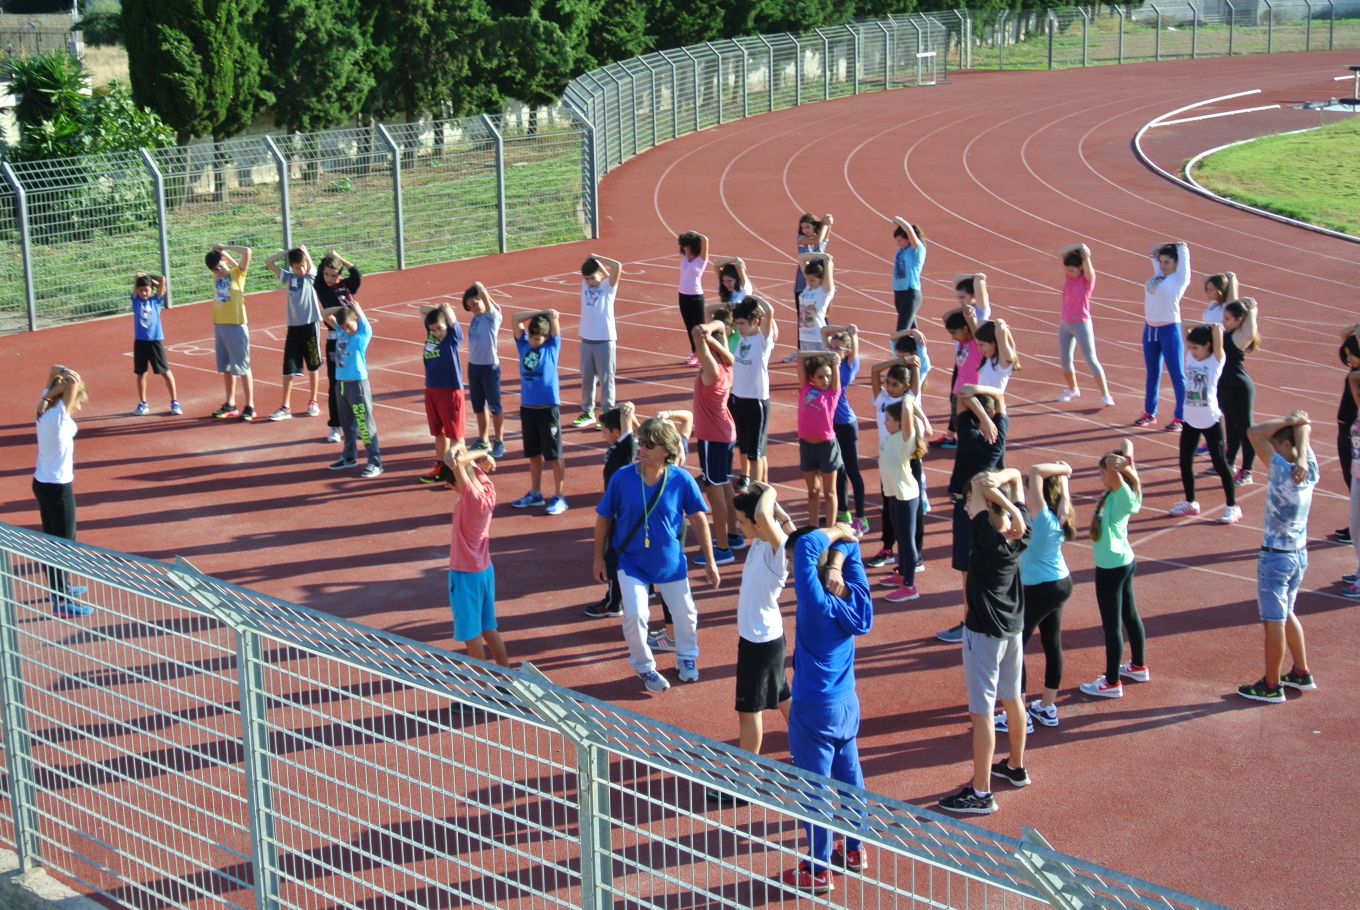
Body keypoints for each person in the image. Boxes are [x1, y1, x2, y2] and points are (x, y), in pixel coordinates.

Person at [593, 417, 720, 693]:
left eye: (650, 444)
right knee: (635, 615)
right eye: (641, 442)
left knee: (685, 613)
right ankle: (645, 667)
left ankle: (686, 657)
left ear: (667, 450)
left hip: (669, 562)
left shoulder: (682, 479)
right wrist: (598, 558)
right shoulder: (622, 477)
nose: (642, 448)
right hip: (631, 561)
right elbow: (603, 518)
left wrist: (710, 561)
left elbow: (698, 519)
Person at [779, 521, 872, 894]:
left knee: (814, 789)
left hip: (811, 709)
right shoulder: (858, 601)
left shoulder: (814, 602)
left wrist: (833, 529)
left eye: (791, 563)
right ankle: (854, 849)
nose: (790, 569)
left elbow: (807, 548)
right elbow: (853, 547)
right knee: (850, 778)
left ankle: (818, 869)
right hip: (846, 705)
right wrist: (837, 559)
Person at [938, 469, 1031, 815]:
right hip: (1012, 631)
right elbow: (1016, 480)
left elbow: (979, 492)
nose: (964, 507)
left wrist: (982, 486)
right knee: (1013, 698)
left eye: (967, 503)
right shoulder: (1020, 534)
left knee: (983, 714)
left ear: (984, 507)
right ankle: (1016, 766)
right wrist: (998, 483)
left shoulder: (985, 536)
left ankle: (980, 793)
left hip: (984, 634)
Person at [1238, 411, 1318, 702]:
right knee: (1286, 614)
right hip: (1299, 554)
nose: (1268, 446)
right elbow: (1304, 431)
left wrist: (1289, 419)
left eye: (1275, 443)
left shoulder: (1282, 470)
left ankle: (1271, 685)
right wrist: (1299, 426)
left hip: (1276, 558)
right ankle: (1300, 671)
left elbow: (1253, 432)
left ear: (1285, 446)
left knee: (1273, 620)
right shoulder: (1308, 467)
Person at [996, 463, 1075, 733]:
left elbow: (1036, 470)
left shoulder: (1040, 516)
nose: (1026, 492)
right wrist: (1064, 482)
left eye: (1028, 488)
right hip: (1059, 584)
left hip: (1040, 589)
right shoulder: (1058, 513)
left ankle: (1020, 715)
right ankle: (1047, 707)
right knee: (1052, 643)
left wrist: (1065, 470)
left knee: (1014, 648)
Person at [728, 483, 795, 757]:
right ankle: (811, 750)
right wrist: (777, 509)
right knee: (782, 697)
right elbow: (777, 522)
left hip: (760, 643)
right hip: (764, 638)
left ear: (758, 522)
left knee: (748, 712)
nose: (738, 526)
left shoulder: (774, 551)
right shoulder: (761, 541)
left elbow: (767, 518)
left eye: (743, 521)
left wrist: (770, 493)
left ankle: (745, 777)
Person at [938, 384, 1009, 644]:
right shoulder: (997, 438)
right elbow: (999, 396)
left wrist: (978, 410)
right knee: (991, 566)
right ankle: (991, 617)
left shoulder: (967, 436)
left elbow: (961, 395)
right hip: (993, 509)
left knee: (968, 570)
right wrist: (986, 416)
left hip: (967, 507)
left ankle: (969, 623)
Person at [1081, 440, 1148, 699]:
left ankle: (1111, 682)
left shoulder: (1120, 494)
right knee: (1130, 615)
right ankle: (1138, 666)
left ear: (1116, 475)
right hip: (1122, 561)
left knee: (1112, 626)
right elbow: (1126, 443)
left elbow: (1120, 472)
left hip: (1111, 567)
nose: (1101, 478)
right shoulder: (1125, 492)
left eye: (1103, 474)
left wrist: (1123, 466)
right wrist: (1127, 459)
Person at [444, 441, 509, 667]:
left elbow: (461, 463)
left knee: (472, 640)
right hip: (484, 571)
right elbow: (468, 465)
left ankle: (481, 696)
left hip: (465, 575)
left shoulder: (470, 498)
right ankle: (506, 681)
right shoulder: (488, 489)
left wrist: (463, 456)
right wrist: (479, 454)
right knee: (489, 630)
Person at [33, 366, 92, 618]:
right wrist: (69, 381)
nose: (79, 407)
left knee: (51, 540)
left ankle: (60, 588)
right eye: (79, 402)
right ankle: (61, 601)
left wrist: (61, 376)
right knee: (62, 545)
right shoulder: (58, 414)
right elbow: (71, 385)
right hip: (58, 489)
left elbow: (53, 371)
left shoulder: (44, 409)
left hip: (42, 483)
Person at [1168, 322, 1240, 524]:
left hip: (1210, 420)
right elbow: (1185, 329)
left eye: (1196, 348)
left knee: (1220, 464)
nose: (1192, 351)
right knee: (1184, 462)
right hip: (1190, 419)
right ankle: (1191, 502)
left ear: (1208, 345)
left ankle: (1232, 506)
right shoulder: (1190, 358)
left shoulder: (1216, 361)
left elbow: (1218, 334)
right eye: (1190, 348)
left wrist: (1213, 327)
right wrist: (1200, 326)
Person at [691, 320, 739, 563]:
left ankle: (722, 549)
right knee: (726, 483)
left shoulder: (712, 370)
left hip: (713, 436)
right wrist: (710, 331)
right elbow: (718, 326)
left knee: (714, 490)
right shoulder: (729, 364)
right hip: (726, 432)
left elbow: (698, 340)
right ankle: (733, 534)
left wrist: (702, 334)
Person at [510, 309, 567, 514]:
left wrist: (549, 315)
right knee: (534, 454)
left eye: (538, 338)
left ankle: (560, 496)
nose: (534, 341)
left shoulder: (552, 346)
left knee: (554, 454)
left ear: (546, 337)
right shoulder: (523, 344)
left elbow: (554, 320)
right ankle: (535, 493)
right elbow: (515, 318)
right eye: (532, 337)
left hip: (547, 408)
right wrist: (539, 312)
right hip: (528, 408)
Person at [587, 401, 639, 619]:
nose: (602, 436)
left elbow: (630, 429)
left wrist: (629, 411)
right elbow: (631, 428)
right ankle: (647, 590)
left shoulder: (625, 449)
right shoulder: (619, 446)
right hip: (622, 510)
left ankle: (613, 603)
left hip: (619, 514)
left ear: (617, 432)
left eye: (605, 432)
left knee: (614, 557)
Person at [322, 297, 383, 478]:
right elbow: (324, 314)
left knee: (364, 425)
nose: (347, 330)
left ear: (356, 321)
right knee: (346, 424)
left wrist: (356, 310)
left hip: (357, 386)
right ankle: (349, 456)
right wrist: (341, 307)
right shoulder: (340, 331)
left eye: (350, 325)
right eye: (344, 326)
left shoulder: (361, 334)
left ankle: (375, 462)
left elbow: (363, 323)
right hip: (341, 385)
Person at [1135, 241, 1191, 431]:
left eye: (1167, 262)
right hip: (1150, 329)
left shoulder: (1180, 279)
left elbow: (1183, 251)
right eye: (1161, 262)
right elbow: (1153, 250)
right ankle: (1150, 412)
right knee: (1152, 373)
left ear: (1177, 263)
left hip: (1170, 330)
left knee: (1177, 375)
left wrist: (1180, 247)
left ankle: (1181, 416)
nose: (1163, 265)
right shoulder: (1158, 275)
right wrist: (1165, 248)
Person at [263, 245, 321, 421]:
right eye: (297, 267)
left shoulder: (311, 277)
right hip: (293, 328)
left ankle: (313, 401)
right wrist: (287, 253)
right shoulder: (288, 278)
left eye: (302, 266)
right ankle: (285, 407)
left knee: (313, 365)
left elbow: (310, 268)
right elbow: (268, 262)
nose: (301, 270)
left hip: (310, 326)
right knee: (288, 368)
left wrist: (306, 252)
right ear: (291, 267)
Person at [933, 275, 989, 448]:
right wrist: (963, 308)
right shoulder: (962, 313)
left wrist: (978, 279)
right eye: (958, 298)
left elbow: (975, 332)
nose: (960, 301)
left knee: (971, 410)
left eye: (963, 297)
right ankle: (953, 436)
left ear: (974, 296)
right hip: (962, 362)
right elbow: (945, 316)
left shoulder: (981, 311)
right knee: (954, 400)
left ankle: (973, 439)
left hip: (973, 367)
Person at [878, 401, 925, 603]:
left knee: (907, 541)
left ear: (900, 422)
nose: (884, 421)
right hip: (894, 495)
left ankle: (909, 586)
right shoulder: (891, 437)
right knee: (899, 536)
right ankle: (903, 573)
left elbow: (907, 409)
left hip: (906, 496)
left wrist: (907, 401)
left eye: (888, 419)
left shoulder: (906, 438)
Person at [1055, 244, 1113, 406]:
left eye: (1072, 271)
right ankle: (1072, 389)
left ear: (1081, 267)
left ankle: (1106, 395)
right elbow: (1060, 252)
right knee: (1065, 359)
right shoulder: (1069, 276)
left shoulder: (1087, 280)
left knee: (1090, 358)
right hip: (1065, 324)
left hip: (1081, 324)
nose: (1069, 274)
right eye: (1067, 271)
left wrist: (1085, 253)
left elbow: (1087, 265)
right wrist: (1078, 246)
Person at [822, 323, 867, 533]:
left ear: (847, 351)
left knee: (852, 470)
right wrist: (840, 328)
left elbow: (853, 344)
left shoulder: (849, 366)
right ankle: (843, 511)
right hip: (831, 426)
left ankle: (861, 517)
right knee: (837, 470)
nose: (833, 350)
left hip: (846, 424)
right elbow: (823, 331)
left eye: (837, 347)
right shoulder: (827, 365)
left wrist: (852, 333)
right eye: (831, 347)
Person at [729, 296, 777, 487]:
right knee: (742, 443)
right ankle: (745, 476)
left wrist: (753, 298)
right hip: (737, 397)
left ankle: (758, 488)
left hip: (755, 401)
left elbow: (770, 311)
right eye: (737, 323)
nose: (739, 327)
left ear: (755, 322)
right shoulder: (742, 336)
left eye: (742, 323)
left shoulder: (762, 339)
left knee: (756, 452)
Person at [315, 251, 361, 443]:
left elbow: (357, 274)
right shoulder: (321, 286)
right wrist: (326, 260)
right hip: (335, 339)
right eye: (326, 274)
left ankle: (357, 425)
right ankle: (335, 425)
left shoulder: (346, 285)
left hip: (352, 337)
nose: (329, 278)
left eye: (333, 275)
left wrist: (340, 258)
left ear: (339, 274)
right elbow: (319, 274)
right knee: (335, 384)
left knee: (354, 382)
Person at [417, 300, 465, 483]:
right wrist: (438, 311)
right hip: (431, 389)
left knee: (455, 436)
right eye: (434, 329)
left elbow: (451, 321)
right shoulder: (431, 334)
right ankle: (441, 468)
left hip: (450, 390)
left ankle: (459, 474)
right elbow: (422, 310)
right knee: (438, 433)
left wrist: (447, 311)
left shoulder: (453, 338)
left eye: (440, 328)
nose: (437, 333)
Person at [205, 243, 255, 420]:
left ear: (225, 261)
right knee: (226, 367)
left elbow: (247, 252)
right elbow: (216, 252)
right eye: (215, 269)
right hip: (220, 325)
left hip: (236, 325)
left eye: (220, 266)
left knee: (242, 367)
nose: (218, 271)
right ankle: (230, 404)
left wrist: (225, 247)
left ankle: (249, 406)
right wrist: (219, 252)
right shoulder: (216, 276)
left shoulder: (238, 274)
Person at [573, 253, 623, 429]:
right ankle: (588, 412)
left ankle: (608, 414)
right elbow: (588, 275)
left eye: (592, 278)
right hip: (586, 339)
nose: (590, 282)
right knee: (587, 379)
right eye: (586, 279)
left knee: (606, 379)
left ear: (601, 275)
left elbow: (617, 266)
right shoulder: (584, 286)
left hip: (605, 340)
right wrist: (591, 265)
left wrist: (597, 258)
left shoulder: (608, 287)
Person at [796, 351, 844, 530]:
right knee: (812, 491)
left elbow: (835, 375)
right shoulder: (806, 388)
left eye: (828, 376)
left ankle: (830, 529)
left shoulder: (832, 392)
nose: (826, 380)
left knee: (830, 492)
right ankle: (813, 528)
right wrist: (826, 353)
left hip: (826, 446)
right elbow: (801, 357)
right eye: (821, 377)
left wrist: (834, 361)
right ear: (811, 378)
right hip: (806, 445)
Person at [1218, 298, 1261, 486]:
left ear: (1239, 321)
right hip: (1224, 387)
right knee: (1231, 426)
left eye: (1227, 319)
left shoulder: (1239, 338)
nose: (1223, 321)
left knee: (1245, 430)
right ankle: (1229, 462)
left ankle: (1247, 471)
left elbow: (1251, 330)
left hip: (1239, 388)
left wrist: (1252, 308)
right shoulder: (1228, 333)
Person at [464, 281, 506, 458]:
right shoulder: (476, 317)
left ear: (482, 299)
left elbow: (490, 304)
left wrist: (481, 289)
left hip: (489, 367)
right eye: (470, 306)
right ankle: (483, 440)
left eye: (476, 302)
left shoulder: (491, 316)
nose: (474, 307)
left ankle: (500, 442)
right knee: (479, 407)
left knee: (495, 407)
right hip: (474, 367)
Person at [129, 273, 180, 416]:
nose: (143, 293)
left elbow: (162, 280)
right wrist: (137, 280)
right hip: (140, 342)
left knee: (165, 372)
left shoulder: (156, 301)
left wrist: (148, 276)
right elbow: (135, 289)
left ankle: (174, 402)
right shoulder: (136, 301)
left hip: (155, 342)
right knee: (141, 373)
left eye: (146, 290)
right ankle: (143, 403)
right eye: (140, 290)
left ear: (151, 289)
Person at [1334, 331, 1360, 545]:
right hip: (1344, 432)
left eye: (1353, 354)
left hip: (1354, 434)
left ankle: (1357, 528)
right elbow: (1344, 333)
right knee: (1349, 479)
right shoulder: (1354, 370)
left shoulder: (1358, 376)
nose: (1348, 358)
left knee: (1355, 483)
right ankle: (1355, 525)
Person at [790, 250, 836, 362]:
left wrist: (825, 260)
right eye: (806, 279)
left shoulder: (825, 291)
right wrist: (817, 255)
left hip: (817, 338)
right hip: (804, 337)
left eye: (812, 280)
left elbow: (829, 266)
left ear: (822, 278)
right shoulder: (808, 288)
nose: (808, 282)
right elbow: (801, 257)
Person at [677, 231, 709, 365]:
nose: (687, 252)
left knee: (699, 328)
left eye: (689, 249)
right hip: (682, 295)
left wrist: (692, 234)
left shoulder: (701, 259)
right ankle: (695, 352)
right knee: (689, 327)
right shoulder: (686, 258)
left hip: (696, 296)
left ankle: (705, 354)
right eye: (685, 250)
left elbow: (705, 239)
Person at [889, 216, 927, 331]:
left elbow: (909, 231)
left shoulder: (917, 251)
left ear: (909, 239)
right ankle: (918, 348)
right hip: (898, 293)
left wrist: (899, 221)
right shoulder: (901, 250)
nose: (898, 244)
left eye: (900, 241)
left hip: (910, 293)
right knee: (911, 330)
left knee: (902, 330)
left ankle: (900, 348)